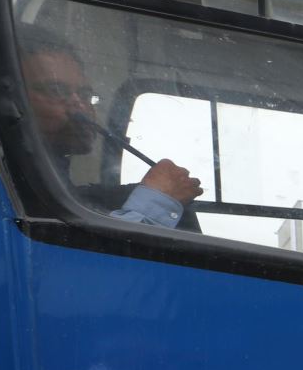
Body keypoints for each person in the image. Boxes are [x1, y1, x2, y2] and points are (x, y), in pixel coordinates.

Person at [21, 34, 202, 229]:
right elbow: (76, 254)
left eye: (84, 95)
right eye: (55, 90)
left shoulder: (51, 179)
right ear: (14, 97)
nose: (80, 107)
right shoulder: (9, 178)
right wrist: (160, 200)